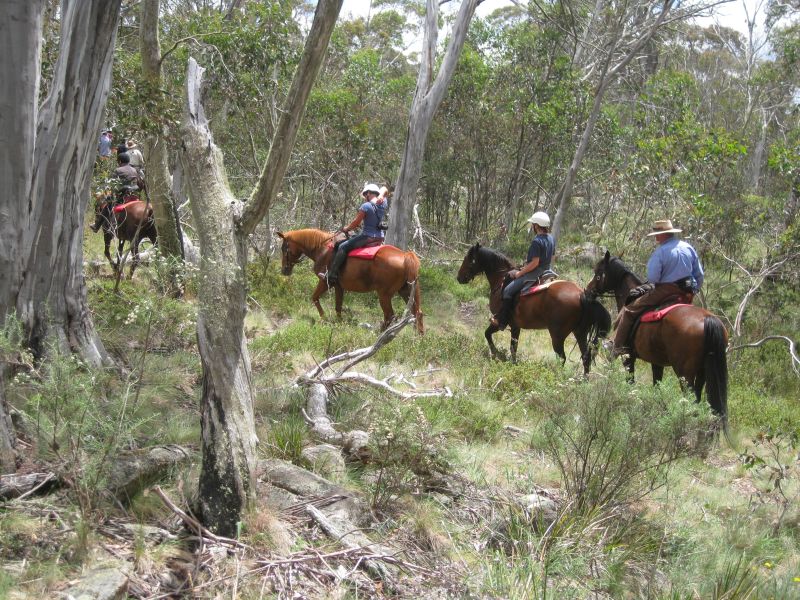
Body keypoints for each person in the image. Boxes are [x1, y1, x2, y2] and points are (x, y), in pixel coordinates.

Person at [610, 219, 704, 357]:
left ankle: (616, 347)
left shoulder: (661, 252)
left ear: (663, 234)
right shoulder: (688, 247)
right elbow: (699, 274)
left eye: (657, 234)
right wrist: (693, 291)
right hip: (687, 290)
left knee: (630, 309)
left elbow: (653, 278)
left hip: (665, 290)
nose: (655, 237)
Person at [490, 211, 555, 330]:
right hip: (547, 270)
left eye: (533, 224)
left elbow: (534, 263)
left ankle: (502, 321)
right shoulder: (551, 238)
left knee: (508, 291)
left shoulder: (537, 241)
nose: (532, 226)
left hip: (534, 273)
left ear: (536, 225)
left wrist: (520, 273)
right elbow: (552, 257)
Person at [323, 183, 388, 282]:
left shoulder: (366, 206)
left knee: (342, 247)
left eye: (366, 195)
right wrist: (381, 195)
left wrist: (346, 228)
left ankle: (331, 275)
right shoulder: (383, 202)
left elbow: (355, 223)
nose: (365, 198)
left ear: (369, 193)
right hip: (380, 237)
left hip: (367, 237)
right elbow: (384, 188)